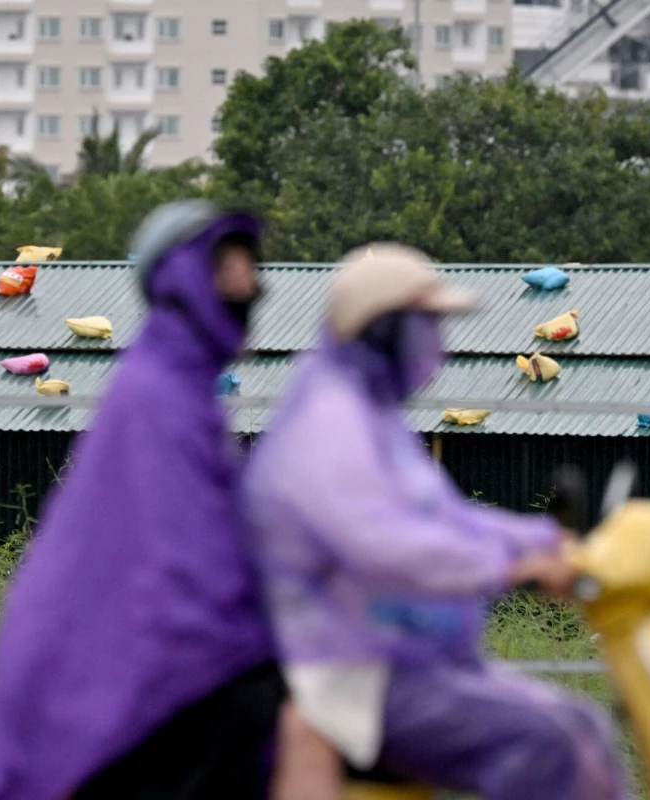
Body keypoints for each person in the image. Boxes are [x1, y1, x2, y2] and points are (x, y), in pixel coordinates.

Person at [0, 200, 336, 800]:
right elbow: (191, 572)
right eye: (228, 268)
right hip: (118, 689)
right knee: (311, 719)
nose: (251, 285)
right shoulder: (158, 398)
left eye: (250, 267)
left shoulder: (181, 388)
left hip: (143, 669)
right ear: (184, 282)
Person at [242, 244, 629, 800]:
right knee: (545, 744)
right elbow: (381, 544)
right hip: (348, 679)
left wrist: (544, 539)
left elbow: (445, 517)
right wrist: (511, 564)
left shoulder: (370, 412)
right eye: (425, 326)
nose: (437, 346)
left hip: (404, 663)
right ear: (383, 329)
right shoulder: (329, 421)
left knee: (584, 725)